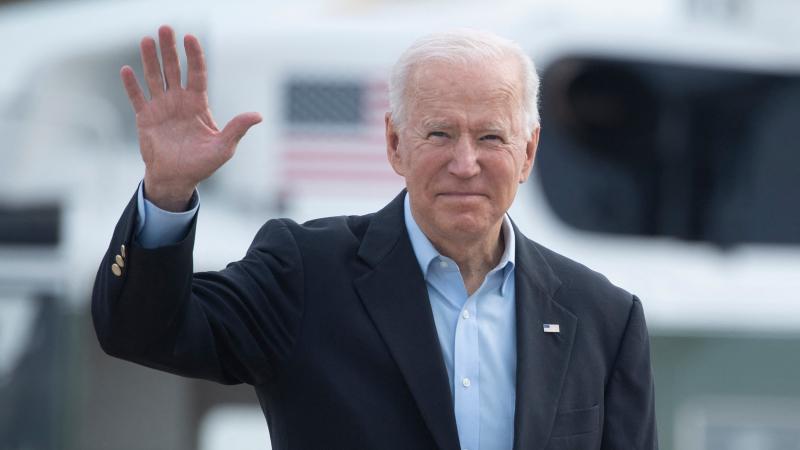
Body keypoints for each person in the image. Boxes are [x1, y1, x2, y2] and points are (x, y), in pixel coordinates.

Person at [93, 25, 657, 450]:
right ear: (394, 144)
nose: (466, 163)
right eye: (439, 133)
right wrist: (166, 192)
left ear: (528, 152)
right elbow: (143, 331)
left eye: (490, 137)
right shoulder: (305, 273)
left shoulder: (605, 319)